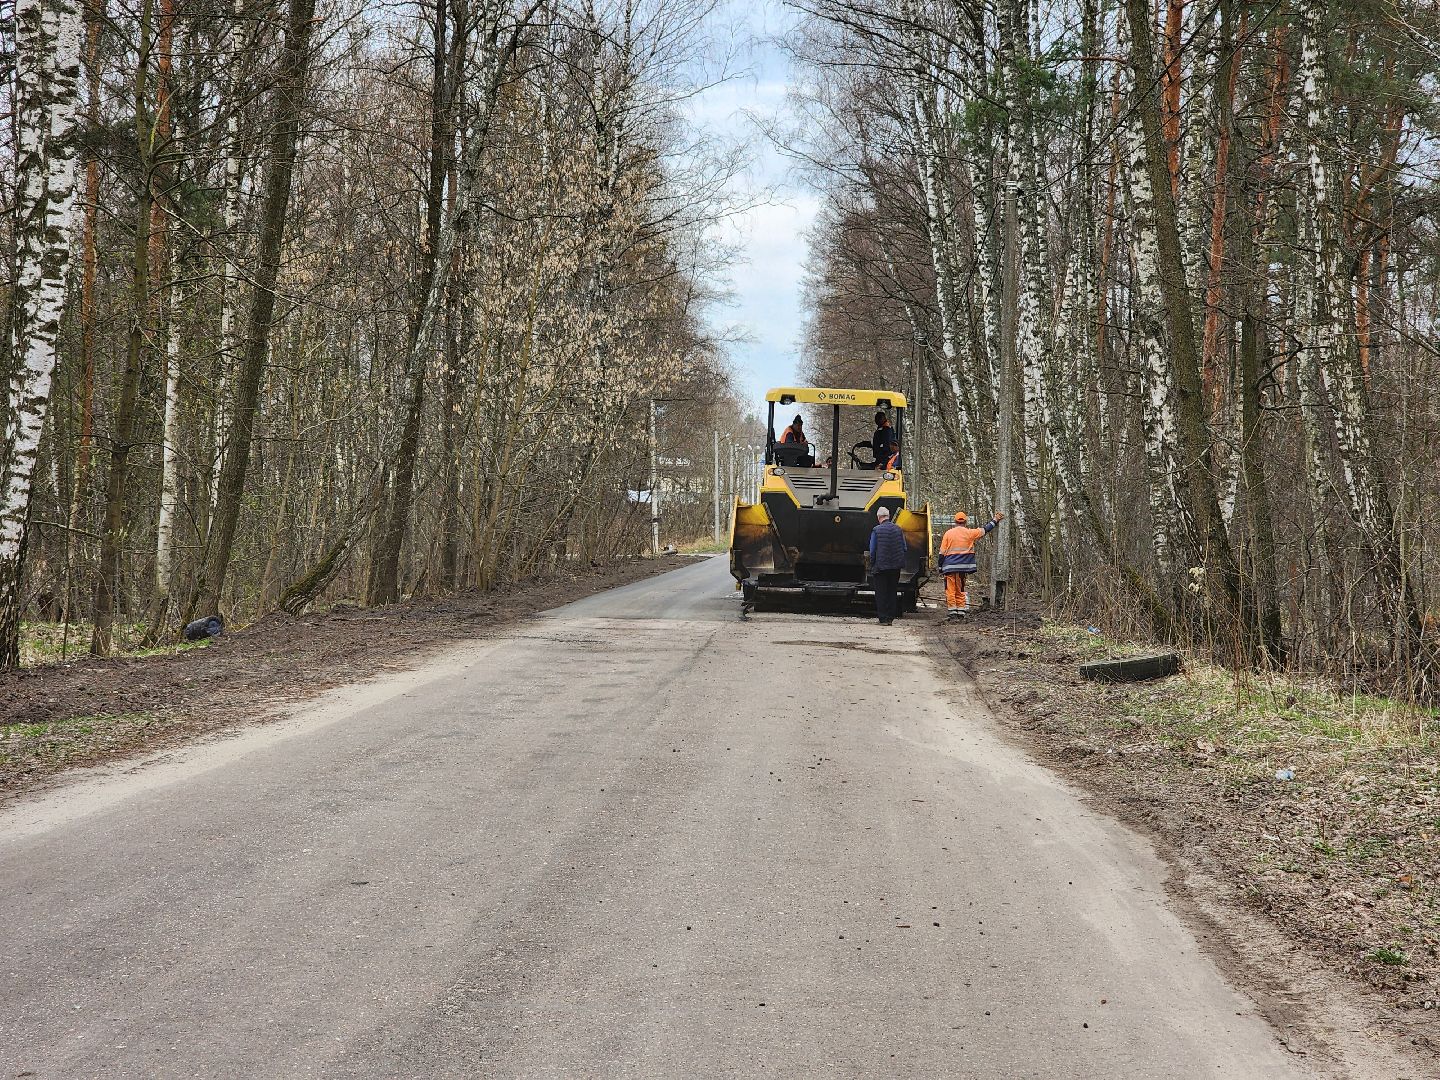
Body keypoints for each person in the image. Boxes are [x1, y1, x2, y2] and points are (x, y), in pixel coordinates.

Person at [938, 510, 1004, 620]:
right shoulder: (969, 533)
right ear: (965, 522)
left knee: (950, 589)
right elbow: (985, 529)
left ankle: (952, 612)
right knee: (960, 588)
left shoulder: (948, 534)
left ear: (955, 521)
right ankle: (961, 611)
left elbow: (942, 553)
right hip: (963, 567)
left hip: (949, 567)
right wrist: (995, 520)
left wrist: (940, 567)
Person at [868, 506, 908, 625]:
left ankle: (883, 618)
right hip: (895, 567)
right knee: (892, 591)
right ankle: (890, 618)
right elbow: (904, 548)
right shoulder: (898, 529)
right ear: (888, 516)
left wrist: (872, 563)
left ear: (879, 517)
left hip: (880, 567)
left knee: (881, 593)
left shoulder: (876, 530)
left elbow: (872, 550)